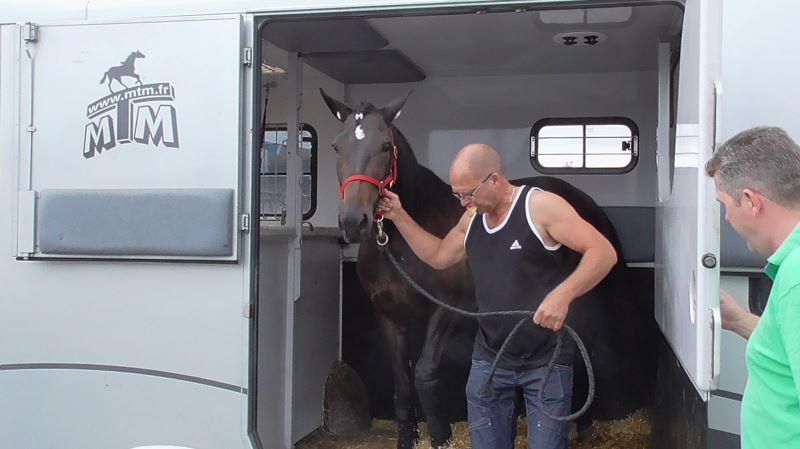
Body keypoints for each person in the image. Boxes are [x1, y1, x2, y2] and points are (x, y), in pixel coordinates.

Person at [376, 143, 617, 449]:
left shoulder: (540, 207)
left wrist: (562, 296)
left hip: (546, 360)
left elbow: (603, 252)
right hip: (490, 360)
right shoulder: (471, 218)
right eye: (458, 195)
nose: (464, 202)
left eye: (469, 194)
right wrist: (398, 216)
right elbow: (438, 256)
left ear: (494, 179)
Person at [705, 126, 800, 449]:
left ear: (750, 202)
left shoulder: (796, 276)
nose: (727, 219)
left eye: (724, 205)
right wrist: (738, 320)